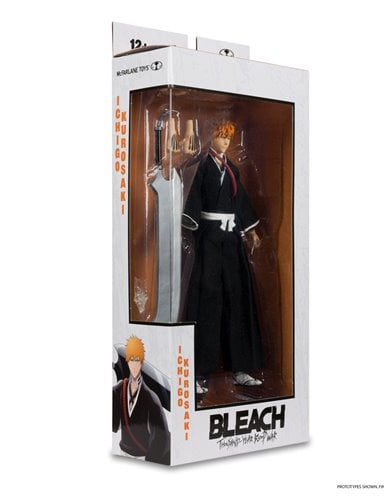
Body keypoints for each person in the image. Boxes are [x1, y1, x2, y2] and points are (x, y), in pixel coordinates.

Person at [182, 120, 264, 395]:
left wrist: (251, 230)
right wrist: (189, 223)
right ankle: (200, 372)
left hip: (231, 240)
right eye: (221, 137)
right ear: (211, 137)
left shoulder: (233, 170)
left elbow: (240, 202)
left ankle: (240, 368)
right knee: (208, 302)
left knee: (238, 300)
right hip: (209, 241)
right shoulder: (202, 168)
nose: (226, 142)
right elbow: (194, 196)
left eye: (229, 138)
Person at [112, 336, 170, 464]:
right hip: (122, 451)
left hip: (142, 456)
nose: (134, 365)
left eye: (137, 360)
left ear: (141, 362)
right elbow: (113, 423)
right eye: (131, 360)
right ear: (127, 361)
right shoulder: (119, 390)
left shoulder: (150, 397)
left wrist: (151, 459)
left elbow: (161, 435)